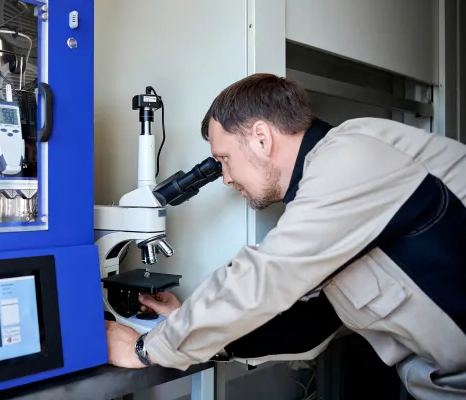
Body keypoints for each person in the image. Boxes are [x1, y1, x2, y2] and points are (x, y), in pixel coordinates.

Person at [105, 73, 466, 399]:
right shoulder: (330, 189)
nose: (227, 178)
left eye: (225, 158)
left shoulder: (353, 155)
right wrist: (189, 329)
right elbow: (311, 323)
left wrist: (145, 349)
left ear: (261, 138)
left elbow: (265, 277)